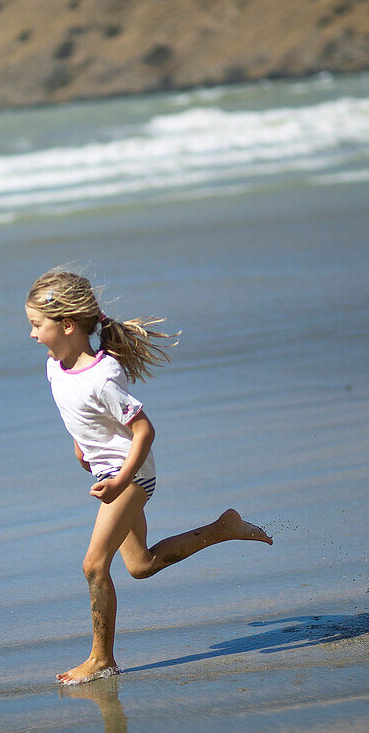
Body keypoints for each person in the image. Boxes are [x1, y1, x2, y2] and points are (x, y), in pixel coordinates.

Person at [25, 269, 272, 686]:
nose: (31, 335)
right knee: (140, 566)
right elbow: (75, 412)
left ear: (67, 325)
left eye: (36, 325)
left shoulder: (103, 377)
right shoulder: (56, 366)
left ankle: (101, 659)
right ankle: (223, 528)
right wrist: (81, 443)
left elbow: (144, 430)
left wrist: (122, 481)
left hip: (131, 474)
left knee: (93, 566)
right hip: (110, 471)